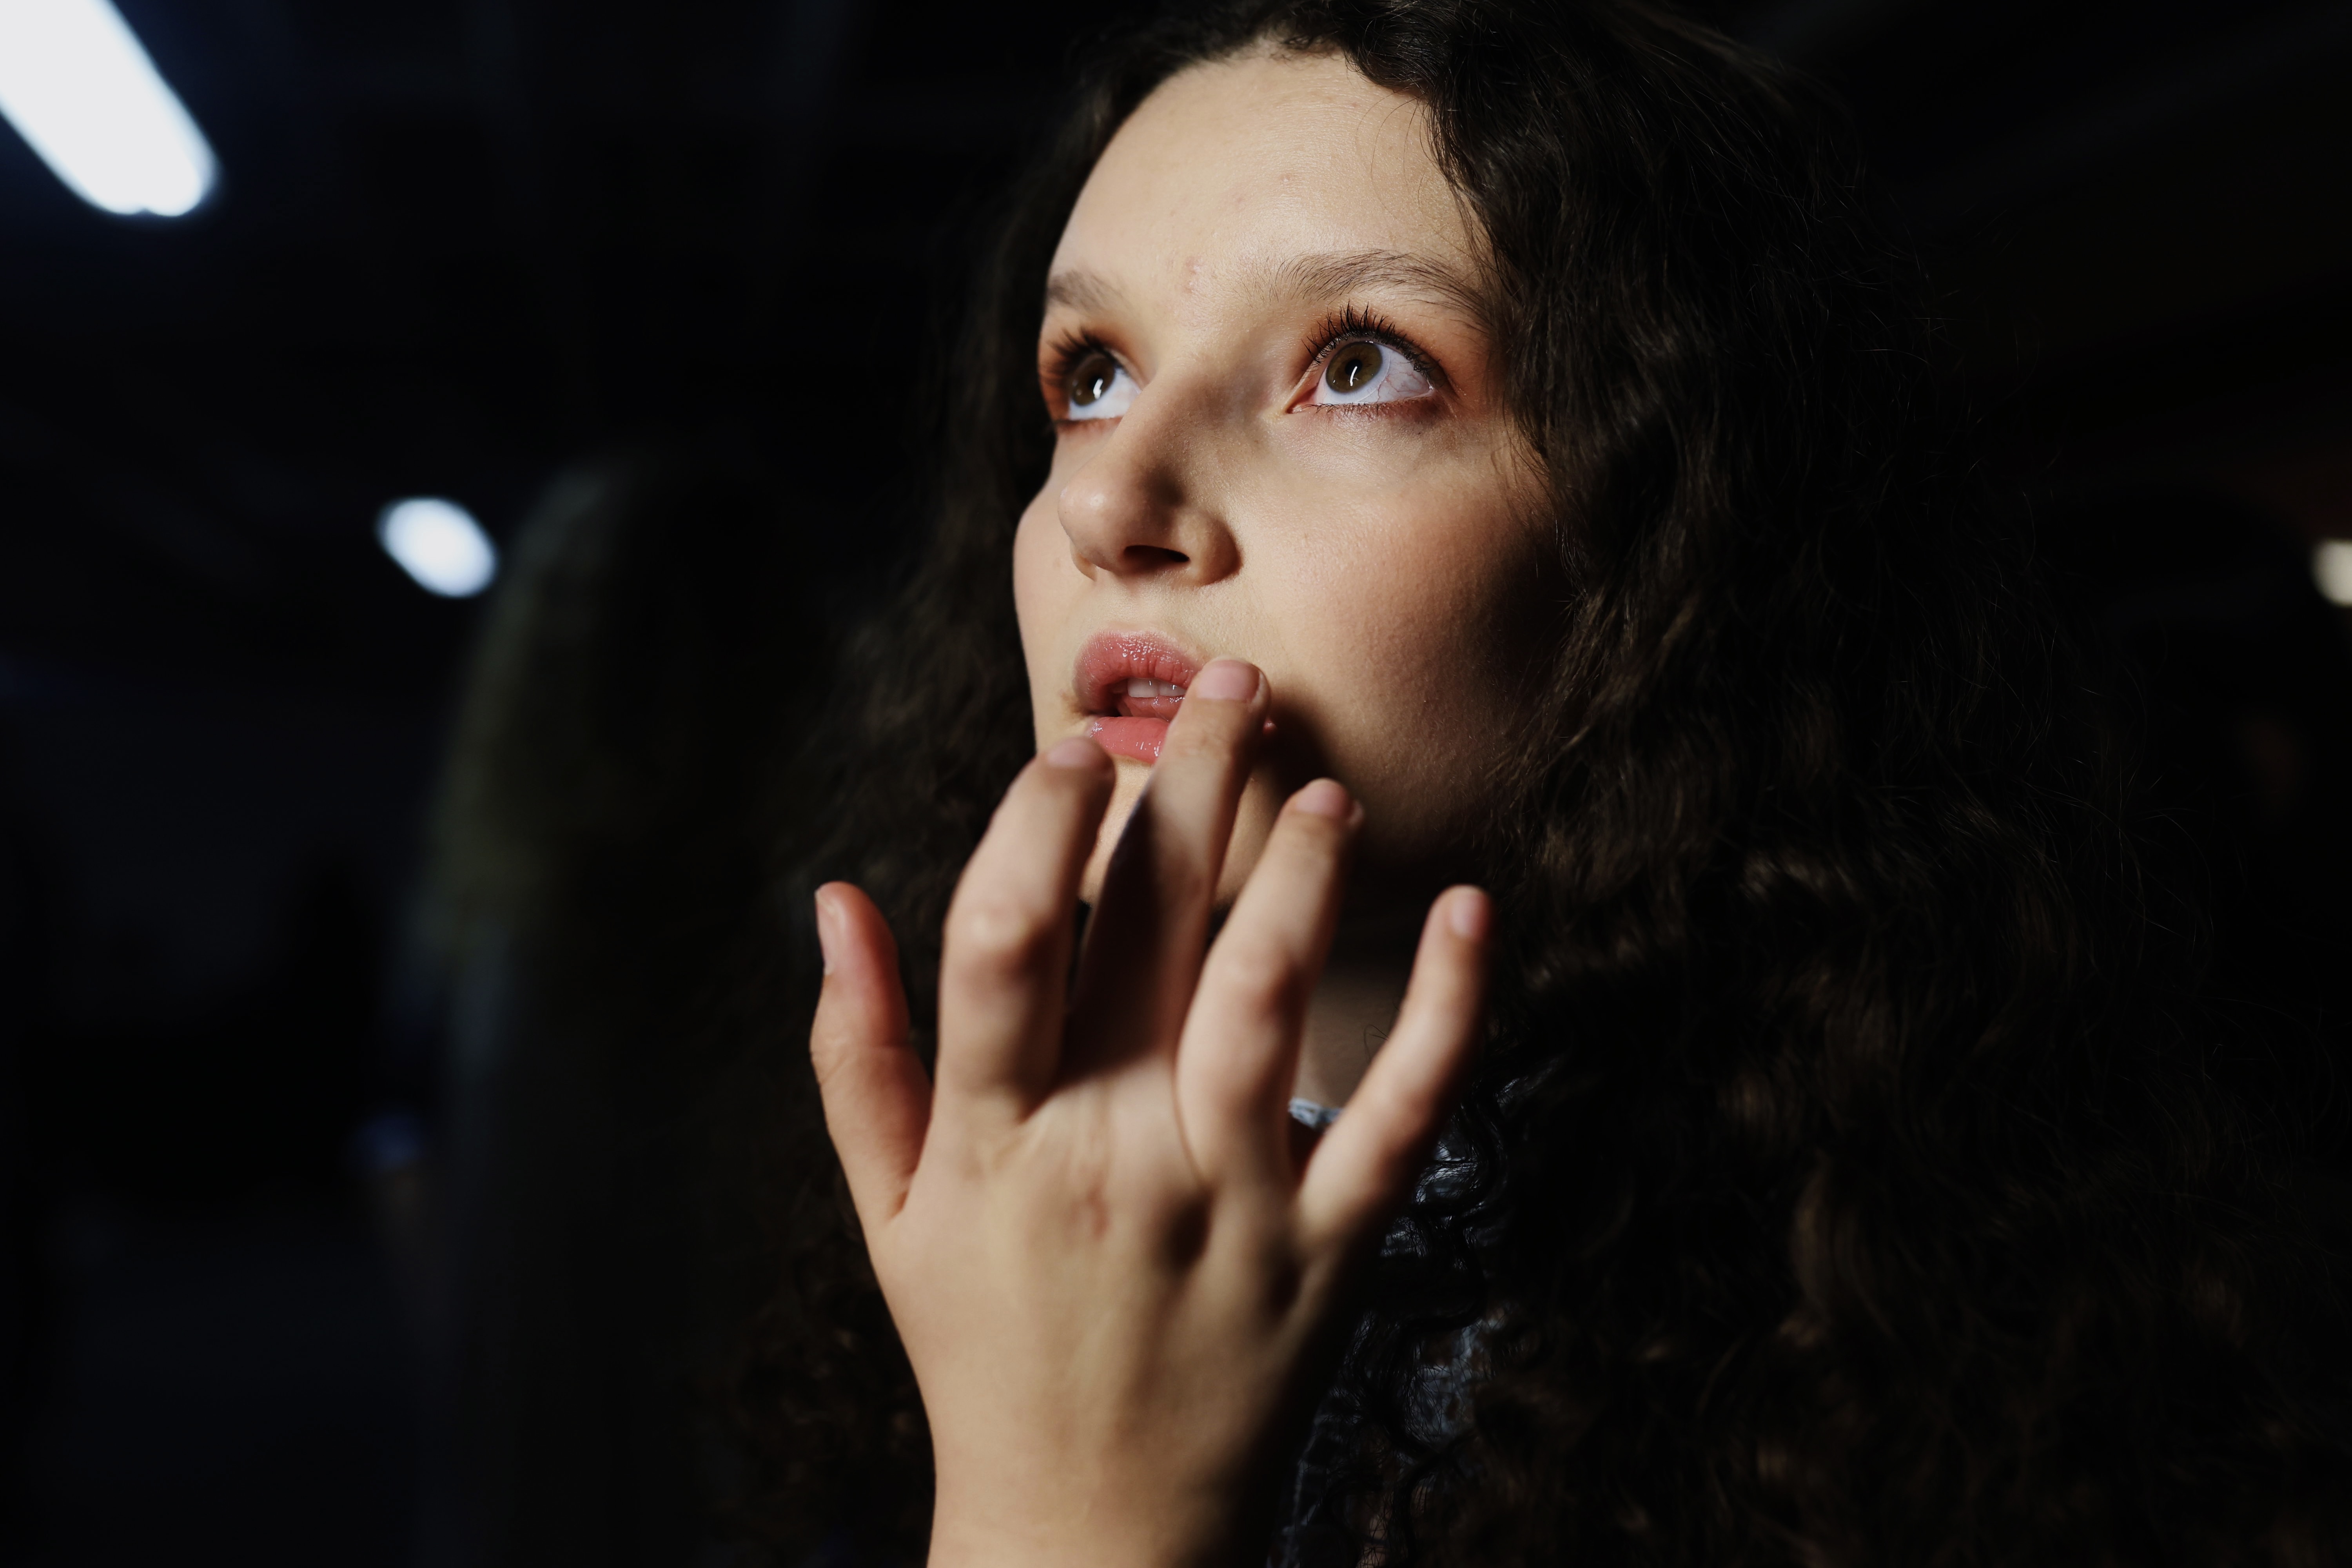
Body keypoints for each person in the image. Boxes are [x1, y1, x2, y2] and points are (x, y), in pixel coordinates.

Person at [734, 2, 2352, 1563]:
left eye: (1357, 364)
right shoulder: (944, 1244)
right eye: (1091, 375)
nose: (1110, 503)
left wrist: (1065, 1526)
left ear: (1676, 551)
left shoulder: (1981, 1381)